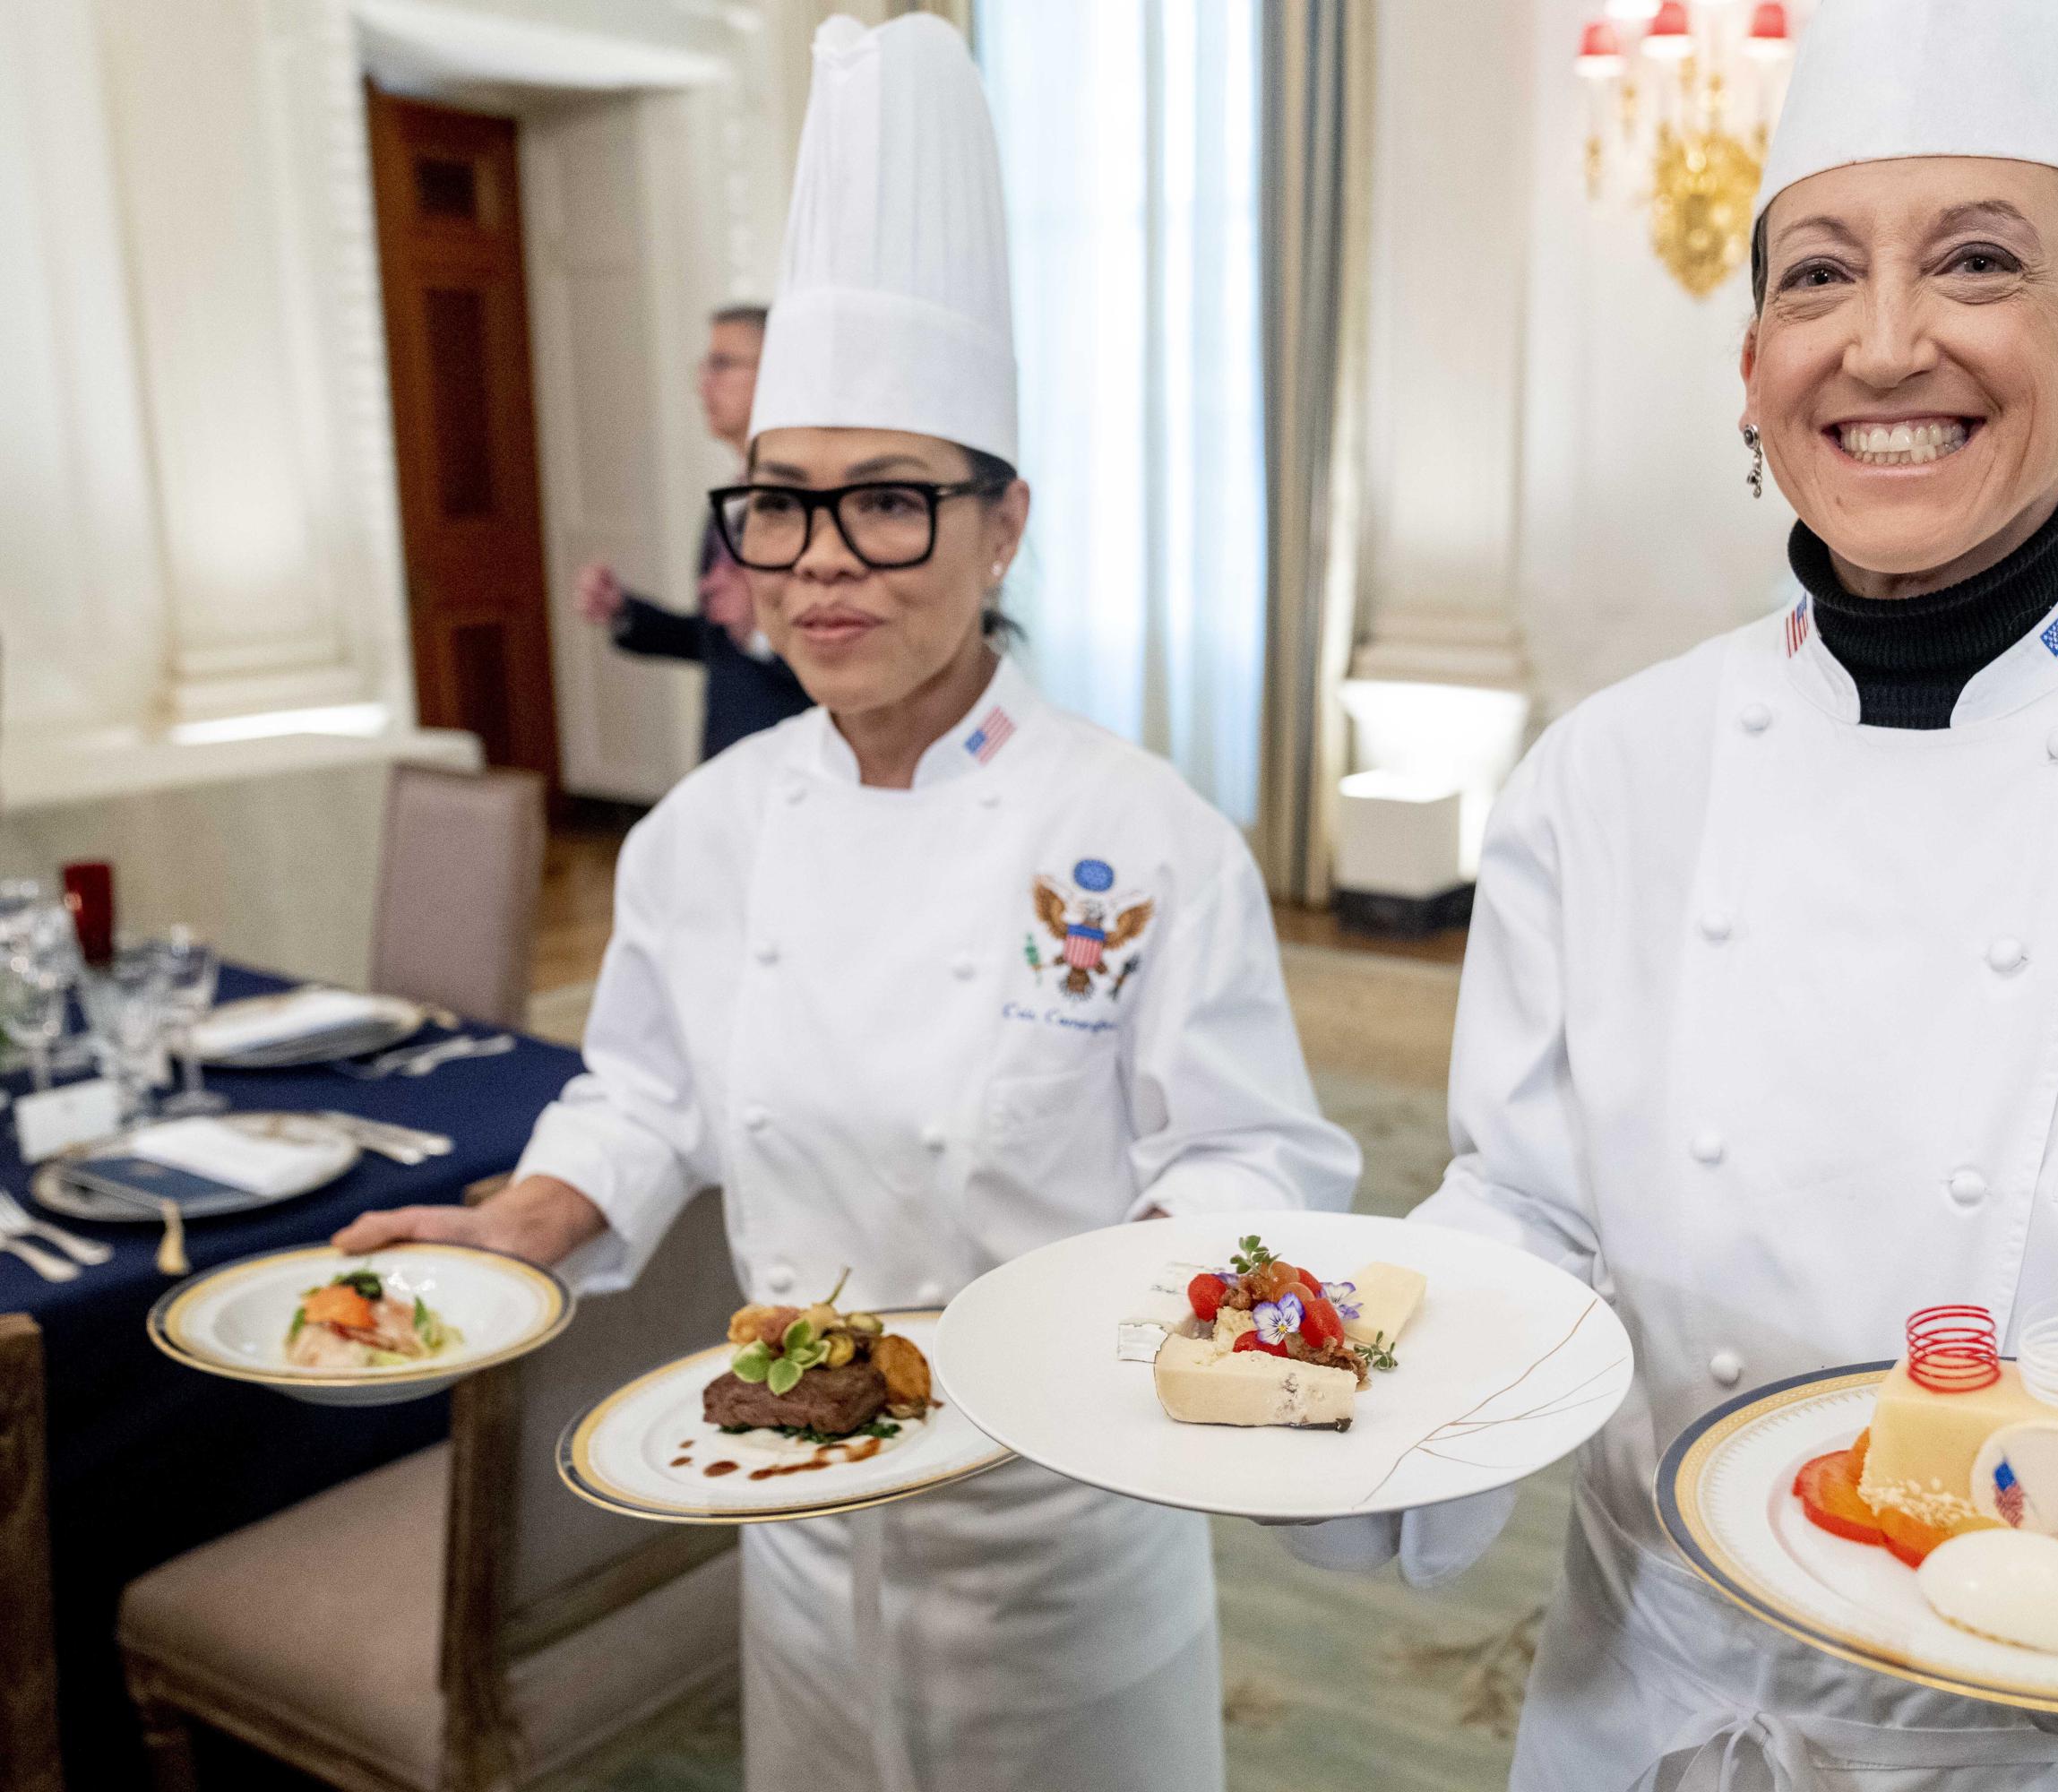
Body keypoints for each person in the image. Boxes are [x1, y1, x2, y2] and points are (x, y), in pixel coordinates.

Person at [1286, 2, 2058, 1788]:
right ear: (1752, 358)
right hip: (1646, 1701)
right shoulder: (1604, 776)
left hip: (2053, 1725)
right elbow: (1530, 1212)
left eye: (1979, 261)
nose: (1881, 345)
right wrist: (1347, 1407)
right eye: (1815, 276)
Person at [338, 17, 1356, 1792]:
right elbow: (648, 1087)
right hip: (792, 1520)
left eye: (888, 505)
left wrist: (1185, 1280)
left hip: (1065, 1541)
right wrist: (524, 1222)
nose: (817, 563)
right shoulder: (707, 832)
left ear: (1002, 521)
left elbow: (1250, 1154)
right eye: (782, 508)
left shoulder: (1147, 835)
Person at [573, 303, 814, 761]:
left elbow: (861, 657)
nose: (703, 384)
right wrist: (626, 611)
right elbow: (714, 641)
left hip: (788, 761)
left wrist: (763, 634)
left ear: (779, 373)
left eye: (723, 364)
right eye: (704, 366)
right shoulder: (734, 495)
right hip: (724, 763)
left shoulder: (813, 502)